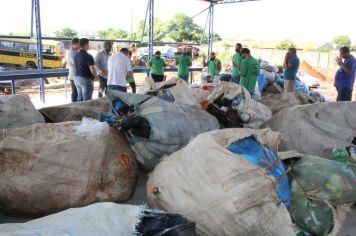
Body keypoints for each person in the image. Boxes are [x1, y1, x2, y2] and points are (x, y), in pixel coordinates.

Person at [63, 38, 79, 102]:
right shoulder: (70, 53)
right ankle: (74, 105)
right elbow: (76, 63)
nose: (80, 46)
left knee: (78, 92)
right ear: (74, 44)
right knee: (75, 92)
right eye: (79, 44)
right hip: (73, 75)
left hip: (77, 75)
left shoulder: (76, 51)